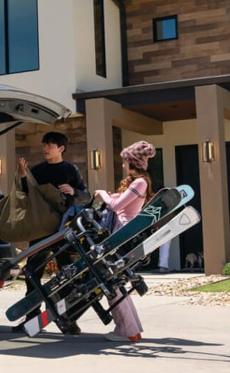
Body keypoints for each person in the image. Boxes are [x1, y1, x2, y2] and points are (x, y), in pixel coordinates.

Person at [13, 131, 92, 334]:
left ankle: (68, 319)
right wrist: (23, 174)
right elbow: (24, 193)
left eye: (49, 145)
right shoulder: (37, 170)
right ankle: (30, 319)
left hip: (64, 231)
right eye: (44, 145)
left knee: (66, 274)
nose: (45, 148)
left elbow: (86, 196)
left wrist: (73, 191)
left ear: (61, 148)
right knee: (32, 273)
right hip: (41, 228)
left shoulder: (70, 170)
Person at [94, 140, 156, 342]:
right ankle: (131, 329)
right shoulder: (137, 183)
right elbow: (122, 203)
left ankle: (126, 330)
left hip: (122, 237)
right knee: (115, 282)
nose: (123, 165)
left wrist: (103, 194)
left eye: (125, 161)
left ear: (133, 162)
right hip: (121, 235)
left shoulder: (140, 182)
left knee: (111, 282)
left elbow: (115, 205)